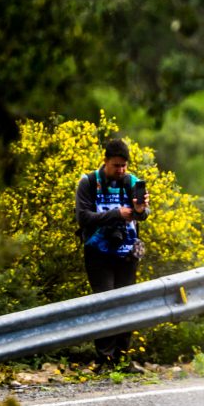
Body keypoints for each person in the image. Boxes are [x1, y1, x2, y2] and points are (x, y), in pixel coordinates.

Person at [75, 138, 149, 360]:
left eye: (124, 166)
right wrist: (117, 214)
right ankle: (105, 358)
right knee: (105, 304)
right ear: (105, 161)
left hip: (127, 251)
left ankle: (122, 358)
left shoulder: (131, 182)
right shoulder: (89, 182)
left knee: (126, 304)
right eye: (116, 166)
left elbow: (143, 215)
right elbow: (83, 217)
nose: (121, 170)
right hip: (97, 252)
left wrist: (140, 210)